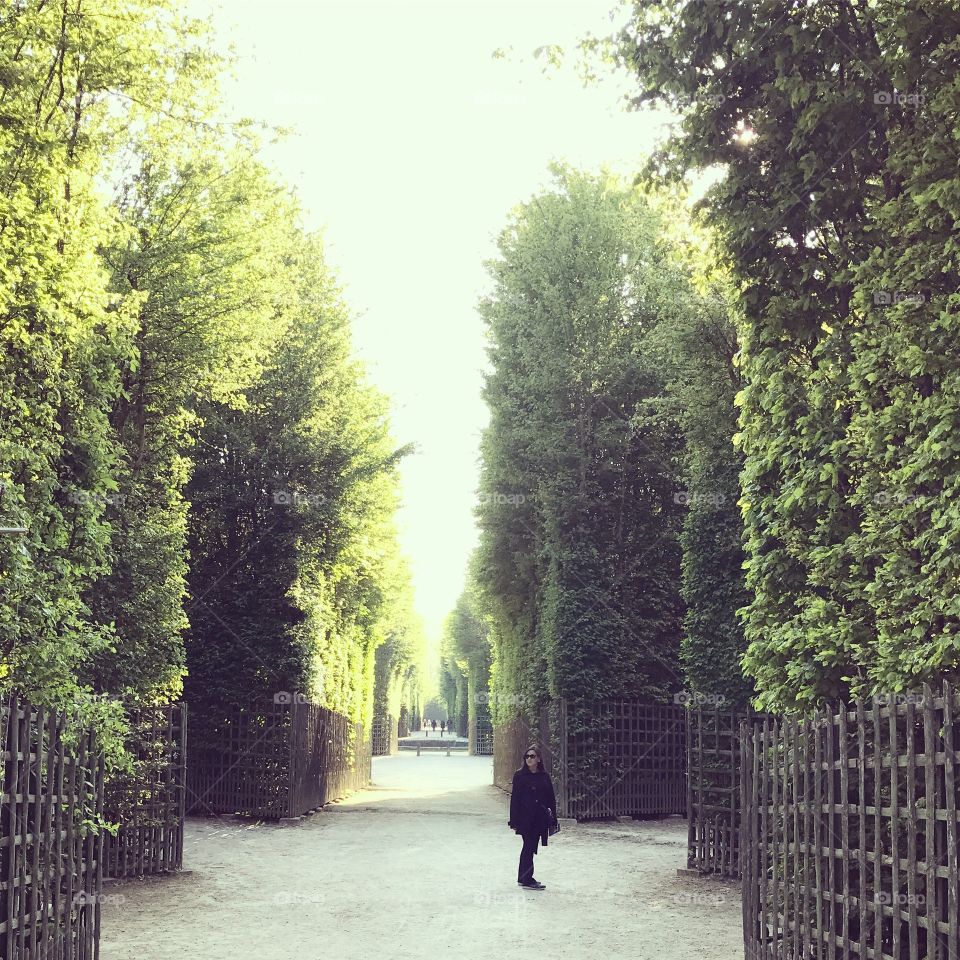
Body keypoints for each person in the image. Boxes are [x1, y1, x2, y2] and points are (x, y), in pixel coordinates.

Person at [507, 745, 557, 890]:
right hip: (525, 818)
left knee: (529, 846)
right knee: (529, 846)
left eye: (532, 756)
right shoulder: (520, 775)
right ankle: (527, 879)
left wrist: (553, 818)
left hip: (539, 818)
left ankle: (523, 877)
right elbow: (515, 798)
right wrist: (513, 820)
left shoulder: (544, 776)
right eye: (527, 756)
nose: (529, 759)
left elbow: (550, 798)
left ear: (539, 759)